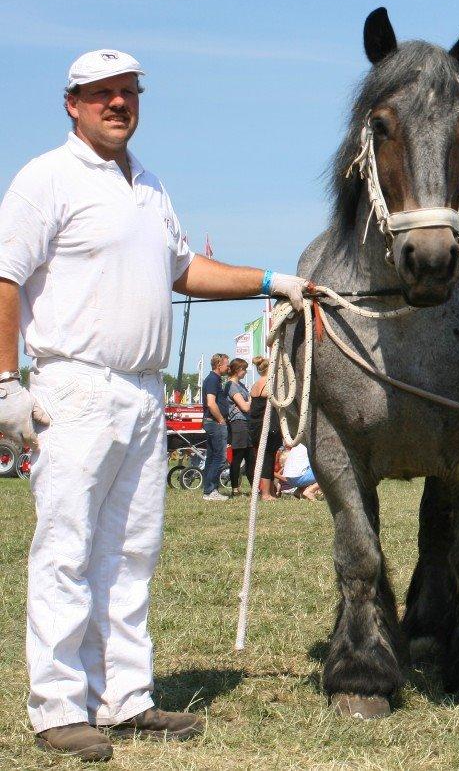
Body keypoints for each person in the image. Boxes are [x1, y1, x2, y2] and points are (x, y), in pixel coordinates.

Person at [0, 49, 308, 762]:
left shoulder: (149, 185)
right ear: (71, 103)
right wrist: (5, 382)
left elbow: (184, 270)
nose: (117, 103)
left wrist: (273, 279)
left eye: (128, 92)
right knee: (66, 547)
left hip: (142, 391)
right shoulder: (44, 180)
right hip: (73, 384)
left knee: (133, 551)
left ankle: (125, 698)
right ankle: (57, 707)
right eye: (101, 93)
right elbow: (6, 278)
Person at [249, 355, 282, 501]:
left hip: (256, 426)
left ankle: (271, 491)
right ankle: (266, 494)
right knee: (268, 458)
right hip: (266, 426)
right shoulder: (268, 384)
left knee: (265, 458)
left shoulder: (255, 384)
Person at [201, 354, 231, 501]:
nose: (228, 367)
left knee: (212, 456)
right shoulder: (213, 380)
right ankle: (210, 490)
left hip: (212, 422)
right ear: (219, 365)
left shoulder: (213, 379)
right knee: (219, 457)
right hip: (215, 422)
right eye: (227, 364)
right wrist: (221, 419)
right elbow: (211, 403)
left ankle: (208, 489)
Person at [226, 357, 254, 495]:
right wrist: (248, 402)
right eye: (244, 370)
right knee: (238, 456)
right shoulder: (231, 386)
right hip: (238, 423)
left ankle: (254, 487)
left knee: (250, 456)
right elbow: (245, 407)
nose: (246, 372)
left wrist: (248, 402)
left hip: (245, 422)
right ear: (238, 370)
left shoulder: (241, 385)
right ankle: (235, 488)